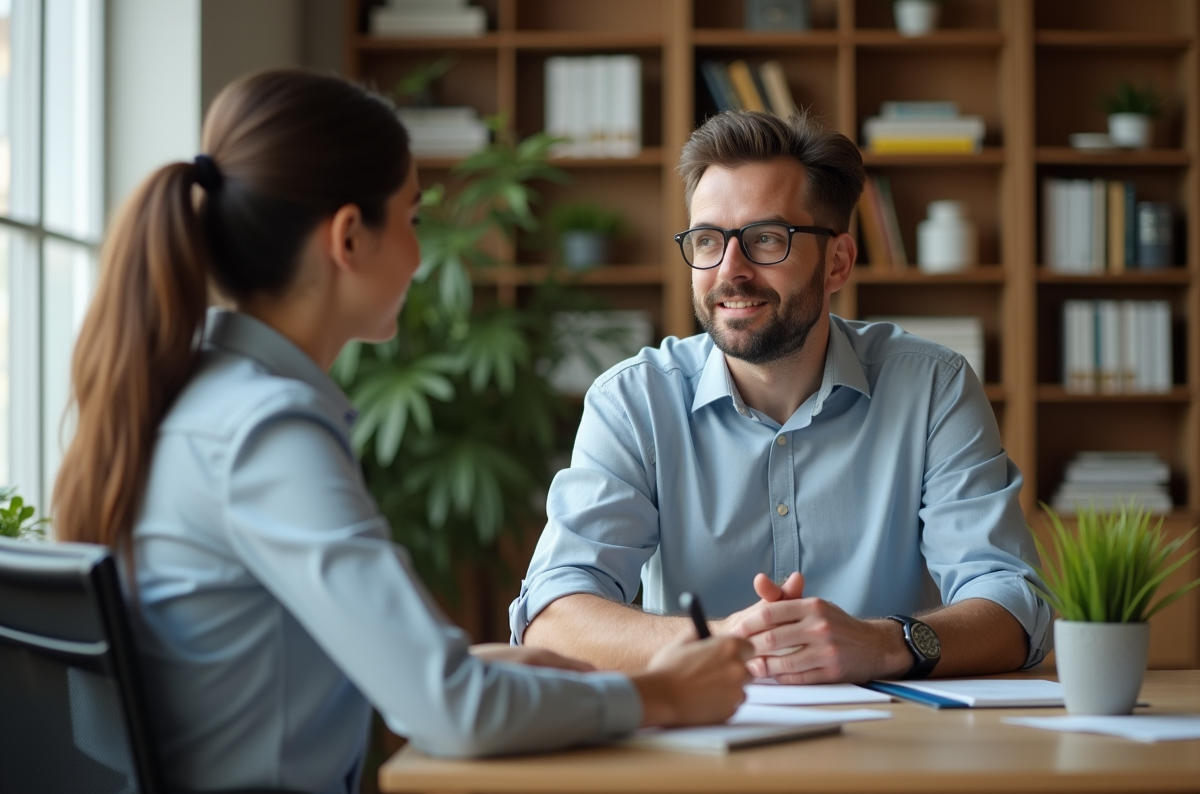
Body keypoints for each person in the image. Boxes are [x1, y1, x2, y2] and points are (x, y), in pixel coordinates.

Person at [50, 69, 752, 794]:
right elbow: (454, 714)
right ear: (349, 236)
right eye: (412, 219)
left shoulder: (198, 400)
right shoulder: (266, 437)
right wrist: (660, 697)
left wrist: (474, 669)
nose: (421, 256)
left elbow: (297, 670)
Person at [510, 110, 1052, 684]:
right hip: (695, 752)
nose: (730, 270)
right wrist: (729, 643)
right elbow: (552, 616)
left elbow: (1015, 603)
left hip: (892, 750)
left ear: (837, 261)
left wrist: (884, 643)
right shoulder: (633, 400)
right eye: (707, 240)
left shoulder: (932, 387)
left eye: (766, 239)